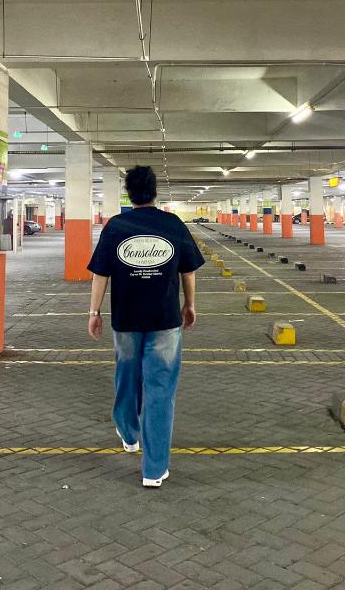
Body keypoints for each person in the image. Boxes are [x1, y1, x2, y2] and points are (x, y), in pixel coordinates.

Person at [87, 165, 205, 488]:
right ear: (154, 192)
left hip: (125, 320)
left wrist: (94, 312)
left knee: (126, 377)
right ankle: (154, 470)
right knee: (160, 391)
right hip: (165, 320)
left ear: (129, 193)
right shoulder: (173, 224)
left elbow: (100, 274)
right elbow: (188, 271)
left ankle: (129, 434)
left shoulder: (116, 226)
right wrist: (190, 304)